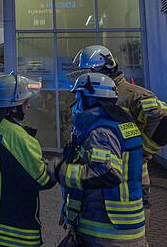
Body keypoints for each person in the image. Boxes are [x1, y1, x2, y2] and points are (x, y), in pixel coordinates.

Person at [71, 45, 167, 235]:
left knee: (134, 229)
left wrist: (144, 150)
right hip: (100, 172)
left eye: (91, 70)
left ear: (106, 67)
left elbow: (166, 120)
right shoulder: (96, 93)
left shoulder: (133, 94)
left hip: (131, 177)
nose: (89, 75)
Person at [56, 72, 146, 246]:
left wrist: (60, 171)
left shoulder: (102, 132)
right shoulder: (122, 124)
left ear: (90, 99)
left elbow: (104, 174)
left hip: (105, 230)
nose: (76, 104)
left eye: (79, 97)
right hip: (123, 226)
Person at [0, 72, 56, 246]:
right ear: (13, 106)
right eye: (25, 102)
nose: (28, 106)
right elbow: (42, 179)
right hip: (11, 232)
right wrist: (57, 166)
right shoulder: (16, 136)